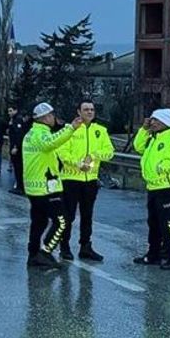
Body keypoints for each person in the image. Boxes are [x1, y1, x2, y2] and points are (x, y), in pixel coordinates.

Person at [22, 102, 82, 268]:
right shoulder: (39, 134)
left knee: (39, 222)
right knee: (62, 222)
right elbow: (51, 143)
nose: (54, 118)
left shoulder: (33, 133)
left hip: (36, 187)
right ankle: (45, 253)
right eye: (52, 115)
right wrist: (71, 128)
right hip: (46, 188)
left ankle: (33, 255)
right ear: (46, 117)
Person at [56, 100, 114, 261]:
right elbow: (62, 152)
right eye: (86, 109)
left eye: (92, 109)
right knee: (68, 215)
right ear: (79, 112)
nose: (89, 112)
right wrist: (78, 164)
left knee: (87, 215)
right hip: (71, 179)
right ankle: (64, 246)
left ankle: (85, 247)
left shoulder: (100, 131)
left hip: (90, 180)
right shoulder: (70, 130)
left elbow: (109, 152)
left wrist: (93, 157)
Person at [132, 108, 170, 270]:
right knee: (153, 223)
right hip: (152, 186)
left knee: (168, 224)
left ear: (165, 121)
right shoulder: (153, 137)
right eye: (152, 120)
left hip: (166, 187)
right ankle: (154, 254)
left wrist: (163, 167)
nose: (153, 122)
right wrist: (143, 130)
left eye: (156, 120)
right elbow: (138, 147)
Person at [8, 108, 29, 195]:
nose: (9, 113)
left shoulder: (17, 120)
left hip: (17, 149)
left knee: (18, 168)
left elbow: (19, 134)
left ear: (16, 110)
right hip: (16, 147)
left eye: (10, 111)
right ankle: (20, 186)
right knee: (17, 167)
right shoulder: (14, 120)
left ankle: (20, 187)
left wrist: (16, 147)